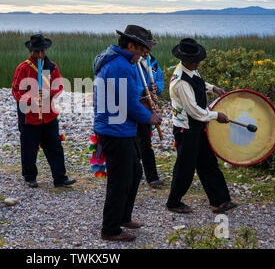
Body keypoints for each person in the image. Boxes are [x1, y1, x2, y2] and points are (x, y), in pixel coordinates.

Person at [93, 25, 162, 242]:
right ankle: (110, 229)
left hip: (120, 128)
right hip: (114, 130)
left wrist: (147, 102)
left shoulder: (126, 63)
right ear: (130, 44)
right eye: (142, 48)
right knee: (120, 180)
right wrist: (149, 117)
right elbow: (127, 103)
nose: (145, 53)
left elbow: (126, 97)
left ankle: (124, 217)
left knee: (134, 171)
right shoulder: (120, 66)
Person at [166, 38, 238, 214]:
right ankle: (173, 202)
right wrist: (216, 116)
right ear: (184, 60)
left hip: (197, 126)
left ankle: (219, 201)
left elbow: (198, 83)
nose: (198, 63)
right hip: (186, 128)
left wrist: (213, 88)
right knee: (185, 167)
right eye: (194, 61)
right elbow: (194, 111)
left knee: (208, 162)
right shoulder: (181, 82)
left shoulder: (190, 70)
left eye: (197, 59)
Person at [12, 34, 76, 188]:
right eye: (37, 51)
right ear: (31, 51)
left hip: (49, 116)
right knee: (29, 149)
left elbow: (59, 86)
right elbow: (16, 91)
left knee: (55, 147)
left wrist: (50, 94)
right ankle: (30, 177)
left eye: (43, 51)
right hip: (29, 117)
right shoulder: (23, 68)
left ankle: (60, 178)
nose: (40, 54)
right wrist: (31, 99)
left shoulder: (51, 66)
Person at [134, 31, 165, 189]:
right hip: (138, 106)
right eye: (148, 46)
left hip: (148, 106)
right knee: (143, 142)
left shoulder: (153, 62)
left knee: (142, 141)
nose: (149, 50)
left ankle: (136, 172)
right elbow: (133, 85)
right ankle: (151, 177)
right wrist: (143, 92)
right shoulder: (133, 63)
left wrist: (156, 88)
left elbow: (160, 80)